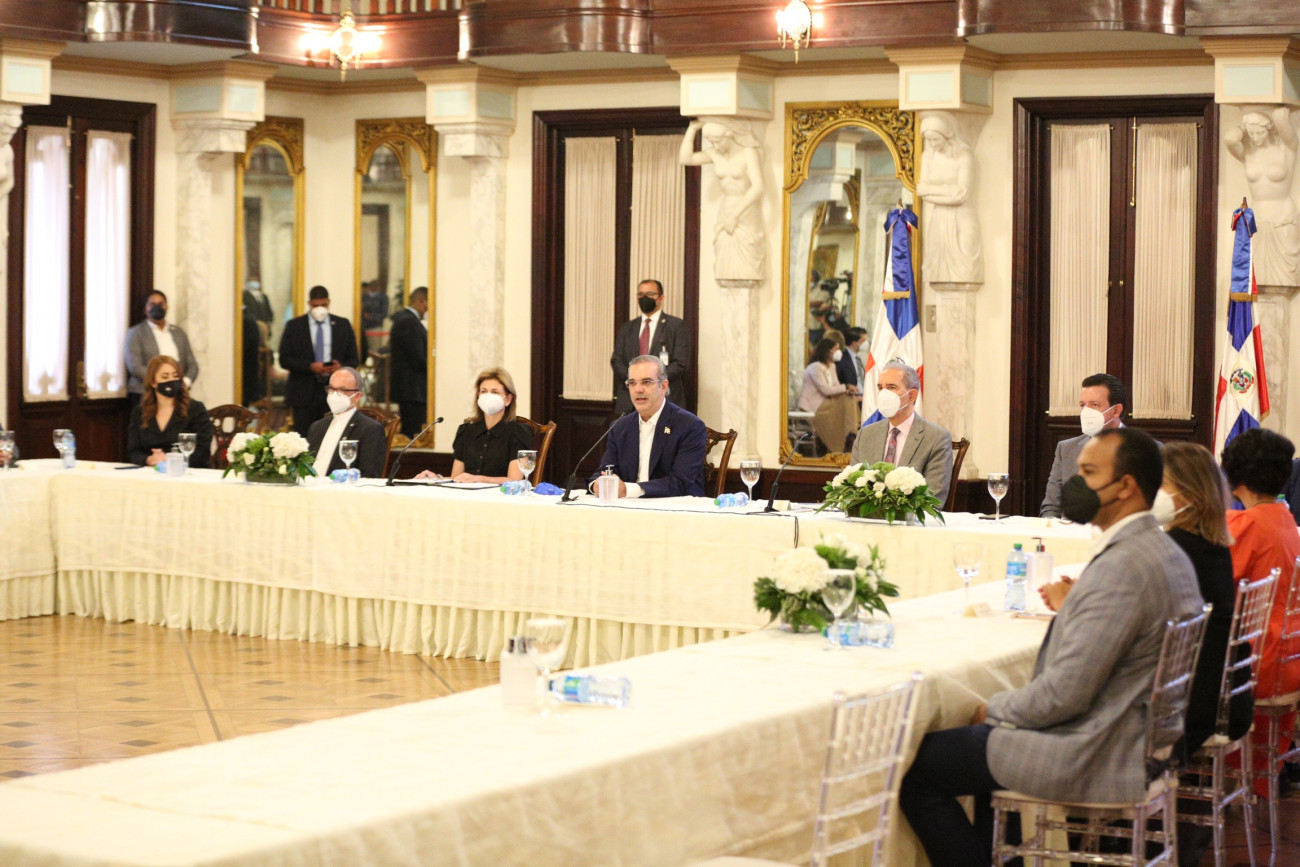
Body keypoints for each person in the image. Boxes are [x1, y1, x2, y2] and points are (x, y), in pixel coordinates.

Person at [900, 428, 1202, 866]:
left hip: (1096, 750)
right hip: (1139, 743)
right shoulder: (1165, 550)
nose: (1074, 485)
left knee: (916, 766)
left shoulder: (1124, 565)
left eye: (1088, 473)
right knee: (974, 750)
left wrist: (995, 708)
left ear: (1125, 486)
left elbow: (1064, 695)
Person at [1221, 428, 1300, 795]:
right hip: (1287, 654)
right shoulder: (1285, 519)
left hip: (1256, 661)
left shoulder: (1246, 524)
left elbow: (1215, 585)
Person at [588, 355, 706, 498]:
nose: (638, 389)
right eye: (632, 383)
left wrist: (628, 490)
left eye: (646, 382)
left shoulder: (689, 426)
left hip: (675, 507)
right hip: (627, 507)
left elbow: (680, 483)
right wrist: (596, 485)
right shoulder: (620, 427)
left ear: (663, 386)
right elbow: (606, 470)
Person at [850, 361, 953, 504]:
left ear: (911, 396)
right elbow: (852, 489)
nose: (884, 394)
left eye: (891, 387)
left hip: (910, 517)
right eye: (880, 388)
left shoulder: (936, 438)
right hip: (867, 516)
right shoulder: (865, 435)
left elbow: (933, 497)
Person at [679, 117, 765, 282]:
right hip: (726, 206)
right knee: (724, 250)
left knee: (746, 252)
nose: (716, 146)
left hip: (745, 208)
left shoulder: (748, 152)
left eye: (718, 141)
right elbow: (685, 159)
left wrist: (735, 215)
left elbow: (758, 187)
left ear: (729, 135)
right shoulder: (714, 153)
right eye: (712, 142)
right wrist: (692, 129)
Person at [417, 368, 530, 484]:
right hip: (467, 494)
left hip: (501, 494)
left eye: (495, 392)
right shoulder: (466, 430)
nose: (488, 396)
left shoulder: (518, 432)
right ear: (478, 395)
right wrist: (434, 478)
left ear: (508, 399)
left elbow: (514, 480)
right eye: (484, 391)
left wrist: (478, 479)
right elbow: (456, 478)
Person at [1040, 372, 1127, 518]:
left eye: (1094, 405)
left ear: (1116, 410)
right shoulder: (1066, 449)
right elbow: (1051, 506)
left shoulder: (1148, 450)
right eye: (1083, 405)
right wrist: (1053, 526)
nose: (1086, 412)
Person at [279, 286, 359, 436]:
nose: (320, 309)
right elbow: (285, 359)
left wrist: (340, 367)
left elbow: (354, 359)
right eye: (315, 305)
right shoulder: (295, 326)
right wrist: (309, 366)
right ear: (309, 303)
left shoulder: (342, 325)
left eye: (323, 305)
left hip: (335, 391)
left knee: (334, 435)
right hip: (303, 391)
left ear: (329, 302)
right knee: (304, 437)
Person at [610, 279, 691, 416]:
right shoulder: (627, 327)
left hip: (664, 400)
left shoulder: (676, 326)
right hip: (629, 403)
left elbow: (680, 363)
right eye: (640, 294)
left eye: (650, 294)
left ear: (661, 298)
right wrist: (635, 380)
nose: (644, 298)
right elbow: (616, 360)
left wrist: (651, 380)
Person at [126, 355, 213, 468]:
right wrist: (149, 459)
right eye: (165, 377)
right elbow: (134, 451)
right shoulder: (139, 412)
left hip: (189, 471)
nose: (171, 381)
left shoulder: (196, 409)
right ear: (153, 382)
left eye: (175, 376)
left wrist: (170, 460)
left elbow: (203, 451)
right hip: (152, 471)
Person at [305, 367, 387, 479]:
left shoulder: (370, 429)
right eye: (332, 389)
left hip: (339, 488)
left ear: (357, 396)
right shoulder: (317, 427)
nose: (334, 394)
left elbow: (369, 475)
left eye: (342, 390)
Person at [124, 290, 199, 406]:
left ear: (166, 307)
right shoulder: (135, 333)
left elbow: (192, 365)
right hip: (144, 394)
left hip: (177, 393)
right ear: (145, 309)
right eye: (152, 304)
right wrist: (161, 380)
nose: (157, 308)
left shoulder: (178, 333)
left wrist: (184, 382)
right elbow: (135, 367)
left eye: (161, 304)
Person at [389, 287, 428, 439]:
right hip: (412, 389)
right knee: (412, 433)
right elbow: (417, 358)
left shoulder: (404, 319)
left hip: (408, 388)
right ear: (421, 302)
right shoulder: (409, 322)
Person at [836, 326, 867, 391]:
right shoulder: (842, 358)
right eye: (863, 340)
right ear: (854, 342)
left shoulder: (858, 358)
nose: (866, 343)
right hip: (851, 395)